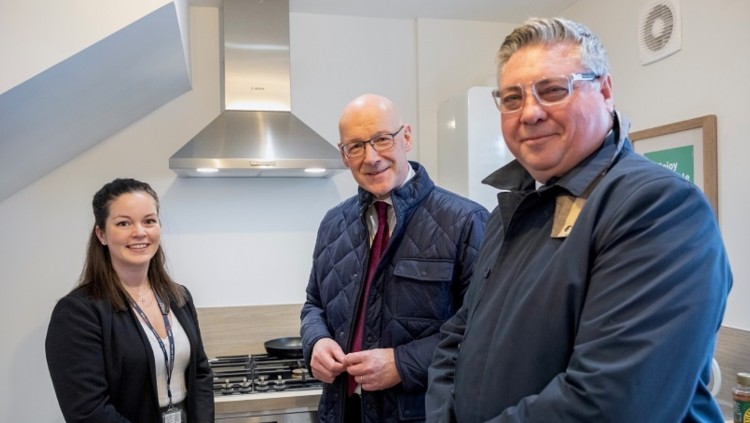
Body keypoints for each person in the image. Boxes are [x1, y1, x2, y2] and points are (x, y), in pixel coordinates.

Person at [426, 17, 733, 423]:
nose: (530, 113)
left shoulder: (657, 207)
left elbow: (613, 405)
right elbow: (458, 337)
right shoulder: (513, 212)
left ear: (605, 91)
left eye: (553, 90)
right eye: (512, 98)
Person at [300, 94, 489, 422]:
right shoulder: (333, 223)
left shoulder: (466, 221)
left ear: (406, 137)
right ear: (344, 155)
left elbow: (485, 331)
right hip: (341, 412)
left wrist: (403, 363)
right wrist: (315, 341)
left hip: (421, 413)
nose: (371, 157)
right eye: (356, 146)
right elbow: (313, 304)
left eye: (382, 140)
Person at [46, 178, 214, 423]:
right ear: (101, 234)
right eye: (124, 223)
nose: (139, 232)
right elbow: (88, 411)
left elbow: (200, 374)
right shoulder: (77, 313)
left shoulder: (179, 297)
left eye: (149, 221)